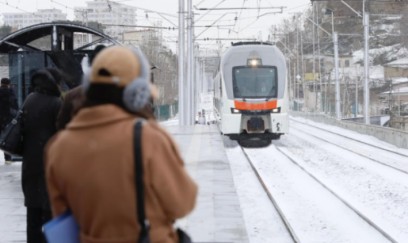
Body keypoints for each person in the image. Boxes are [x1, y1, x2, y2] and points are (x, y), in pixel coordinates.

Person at [45, 46, 197, 243]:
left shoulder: (58, 147)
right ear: (137, 92)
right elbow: (182, 203)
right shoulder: (150, 138)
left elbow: (62, 215)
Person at [21, 68, 63, 243]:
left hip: (30, 162)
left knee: (32, 210)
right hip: (50, 162)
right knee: (49, 211)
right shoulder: (56, 103)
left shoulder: (29, 100)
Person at [0, 77, 18, 164]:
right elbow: (15, 105)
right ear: (9, 84)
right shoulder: (11, 93)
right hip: (8, 119)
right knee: (7, 139)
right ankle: (8, 158)